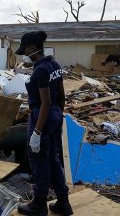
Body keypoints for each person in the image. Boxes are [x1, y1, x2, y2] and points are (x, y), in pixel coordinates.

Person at [15, 31, 73, 216]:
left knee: (39, 161)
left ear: (33, 48)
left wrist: (37, 132)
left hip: (42, 116)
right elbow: (61, 96)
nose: (25, 54)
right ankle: (63, 202)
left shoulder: (40, 70)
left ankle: (38, 205)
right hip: (55, 115)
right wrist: (58, 118)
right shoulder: (54, 64)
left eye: (25, 50)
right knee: (53, 159)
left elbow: (45, 103)